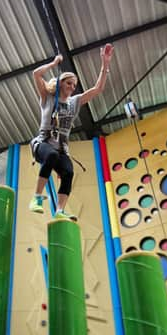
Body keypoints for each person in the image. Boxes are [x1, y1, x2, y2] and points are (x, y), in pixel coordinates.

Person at [29, 43, 114, 220]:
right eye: (69, 83)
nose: (72, 87)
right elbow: (36, 74)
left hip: (61, 149)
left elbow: (97, 89)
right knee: (51, 156)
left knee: (68, 171)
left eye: (74, 85)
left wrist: (105, 64)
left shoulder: (74, 102)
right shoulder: (47, 97)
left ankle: (59, 211)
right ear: (61, 83)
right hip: (43, 144)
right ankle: (36, 197)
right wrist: (54, 63)